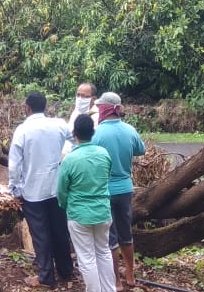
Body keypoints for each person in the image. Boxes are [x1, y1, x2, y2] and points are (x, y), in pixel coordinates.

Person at [9, 91, 75, 289]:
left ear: (27, 108)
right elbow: (75, 138)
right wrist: (65, 154)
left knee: (40, 234)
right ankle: (66, 271)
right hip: (56, 189)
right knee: (60, 230)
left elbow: (14, 165)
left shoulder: (22, 130)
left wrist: (15, 189)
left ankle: (46, 276)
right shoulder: (59, 124)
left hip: (33, 191)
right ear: (45, 107)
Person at [91, 92, 146, 289]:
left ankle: (115, 281)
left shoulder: (96, 134)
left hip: (104, 190)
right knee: (125, 233)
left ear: (104, 109)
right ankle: (130, 276)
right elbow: (141, 150)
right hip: (125, 188)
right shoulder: (129, 130)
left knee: (110, 237)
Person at [58, 116, 115, 292]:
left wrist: (66, 205)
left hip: (79, 214)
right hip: (103, 212)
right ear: (93, 132)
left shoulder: (69, 159)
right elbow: (107, 178)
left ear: (74, 133)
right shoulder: (104, 154)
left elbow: (61, 191)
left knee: (87, 258)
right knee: (104, 252)